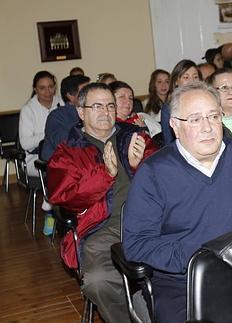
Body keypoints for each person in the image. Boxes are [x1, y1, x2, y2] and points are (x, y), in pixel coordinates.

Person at [122, 82, 232, 323]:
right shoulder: (154, 172)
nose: (207, 128)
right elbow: (137, 243)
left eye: (213, 116)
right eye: (195, 119)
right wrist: (196, 257)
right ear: (175, 125)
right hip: (183, 282)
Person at [48, 83, 157, 323]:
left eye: (110, 105)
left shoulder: (135, 137)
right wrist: (105, 175)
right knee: (98, 281)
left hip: (150, 223)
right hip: (102, 229)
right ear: (81, 112)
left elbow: (165, 182)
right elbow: (65, 198)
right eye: (96, 106)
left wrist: (141, 167)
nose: (105, 111)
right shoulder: (68, 152)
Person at [19, 71, 63, 235]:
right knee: (55, 169)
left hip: (60, 155)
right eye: (42, 88)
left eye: (51, 87)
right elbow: (25, 143)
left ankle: (69, 210)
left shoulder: (61, 103)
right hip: (35, 160)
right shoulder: (28, 110)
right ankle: (50, 212)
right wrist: (50, 134)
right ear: (35, 89)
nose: (48, 92)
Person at [41, 74, 90, 161]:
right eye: (85, 92)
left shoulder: (92, 111)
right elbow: (64, 142)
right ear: (70, 96)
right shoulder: (56, 116)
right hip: (62, 163)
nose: (90, 95)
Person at [160, 59, 201, 144]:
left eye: (195, 77)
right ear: (176, 82)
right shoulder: (168, 108)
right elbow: (169, 142)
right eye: (186, 77)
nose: (192, 81)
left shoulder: (206, 103)